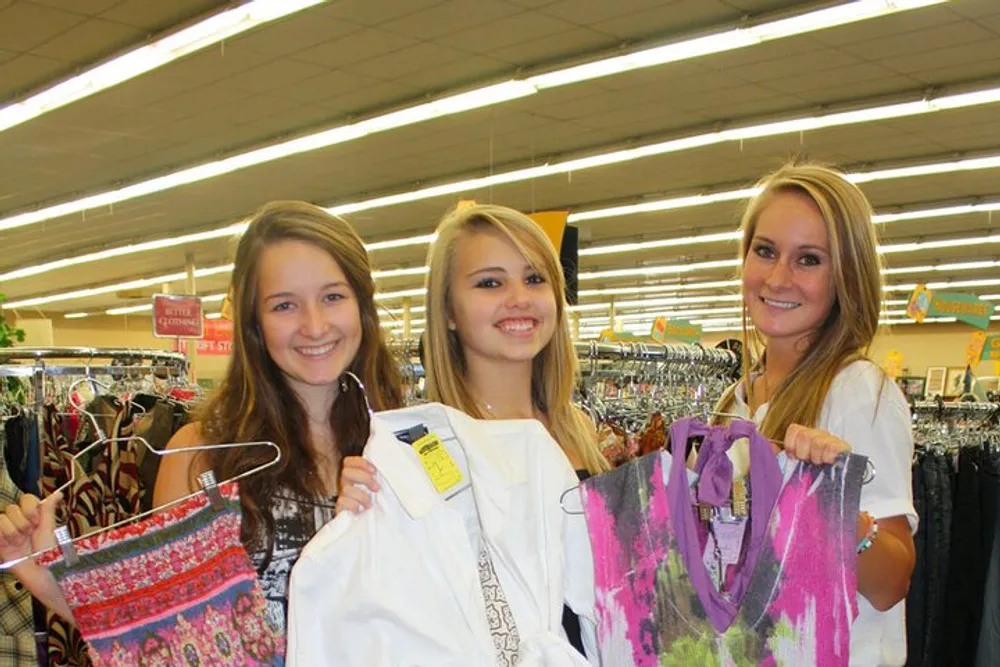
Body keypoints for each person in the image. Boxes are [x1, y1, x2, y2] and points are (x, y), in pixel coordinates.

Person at [0, 200, 403, 636]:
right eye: (284, 305)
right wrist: (39, 572)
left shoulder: (409, 444)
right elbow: (160, 628)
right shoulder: (203, 455)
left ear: (362, 306)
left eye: (333, 296)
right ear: (253, 324)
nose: (314, 325)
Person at [716, 162, 917, 665]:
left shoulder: (856, 391)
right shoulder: (735, 402)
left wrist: (836, 505)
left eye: (808, 260)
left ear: (844, 276)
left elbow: (892, 583)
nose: (778, 277)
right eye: (765, 251)